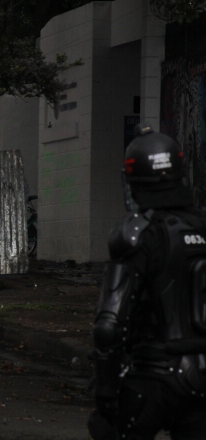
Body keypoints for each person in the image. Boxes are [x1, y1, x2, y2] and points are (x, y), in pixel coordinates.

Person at [89, 123, 206, 440]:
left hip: (153, 375)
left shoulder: (139, 233)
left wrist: (106, 390)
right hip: (202, 378)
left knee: (105, 429)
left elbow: (109, 325)